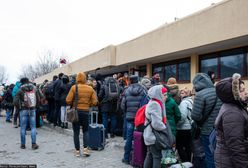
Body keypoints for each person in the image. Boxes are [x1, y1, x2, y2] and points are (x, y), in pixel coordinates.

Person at [215, 73, 248, 168]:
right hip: (229, 162)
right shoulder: (232, 112)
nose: (245, 92)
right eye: (242, 90)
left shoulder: (234, 106)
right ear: (233, 94)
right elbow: (235, 146)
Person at [191, 73, 222, 168]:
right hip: (219, 128)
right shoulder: (218, 91)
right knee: (218, 155)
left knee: (209, 155)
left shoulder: (200, 95)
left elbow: (195, 116)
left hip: (206, 130)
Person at [66, 72, 98, 157]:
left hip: (75, 112)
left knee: (76, 132)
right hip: (86, 112)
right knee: (86, 131)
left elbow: (68, 100)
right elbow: (95, 102)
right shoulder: (90, 89)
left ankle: (77, 151)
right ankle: (86, 150)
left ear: (77, 79)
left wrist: (74, 103)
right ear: (85, 79)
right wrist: (88, 104)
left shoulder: (73, 87)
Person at [121, 75, 146, 164]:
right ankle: (140, 158)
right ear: (138, 80)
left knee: (129, 138)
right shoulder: (143, 90)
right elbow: (145, 104)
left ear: (130, 81)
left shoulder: (126, 90)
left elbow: (123, 105)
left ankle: (126, 158)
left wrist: (126, 113)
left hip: (129, 118)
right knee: (141, 137)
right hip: (140, 118)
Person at [143, 85, 167, 168]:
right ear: (158, 94)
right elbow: (156, 124)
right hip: (153, 135)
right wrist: (165, 128)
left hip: (149, 134)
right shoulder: (155, 104)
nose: (166, 97)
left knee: (150, 155)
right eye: (164, 94)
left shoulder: (154, 102)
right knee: (157, 157)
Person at [14, 77, 40, 150]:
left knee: (23, 127)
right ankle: (34, 144)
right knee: (33, 127)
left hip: (23, 110)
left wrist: (19, 108)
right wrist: (36, 107)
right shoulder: (34, 88)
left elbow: (15, 101)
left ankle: (23, 145)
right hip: (32, 109)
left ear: (21, 83)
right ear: (28, 81)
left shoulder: (20, 90)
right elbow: (38, 98)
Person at [176, 87, 193, 162]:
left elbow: (182, 117)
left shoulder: (184, 103)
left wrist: (177, 124)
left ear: (186, 94)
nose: (180, 94)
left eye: (182, 93)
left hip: (183, 128)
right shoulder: (191, 101)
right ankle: (189, 163)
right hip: (189, 127)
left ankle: (185, 163)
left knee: (180, 147)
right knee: (188, 147)